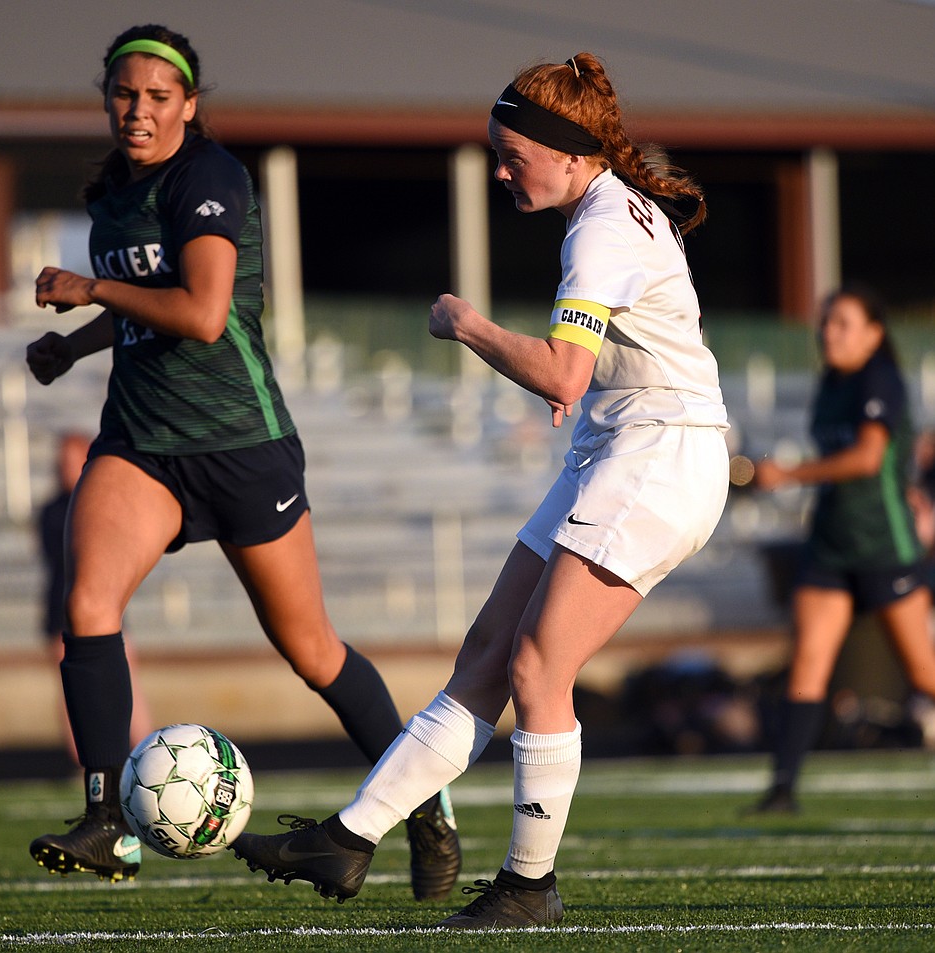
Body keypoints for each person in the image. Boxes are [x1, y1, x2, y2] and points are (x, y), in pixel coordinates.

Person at [231, 52, 730, 929]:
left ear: (571, 153)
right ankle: (348, 838)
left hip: (661, 453)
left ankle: (528, 886)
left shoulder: (604, 223)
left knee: (540, 665)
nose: (500, 170)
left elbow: (561, 375)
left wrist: (463, 322)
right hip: (622, 444)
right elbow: (588, 375)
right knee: (488, 654)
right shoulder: (607, 209)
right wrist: (580, 389)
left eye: (510, 153)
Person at [23, 24, 459, 898]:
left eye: (156, 96)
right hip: (142, 441)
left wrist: (90, 288)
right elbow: (148, 296)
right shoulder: (113, 189)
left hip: (239, 445)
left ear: (189, 104)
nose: (137, 110)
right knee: (87, 601)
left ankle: (426, 810)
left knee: (311, 649)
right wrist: (77, 347)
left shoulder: (210, 177)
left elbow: (204, 312)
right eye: (123, 93)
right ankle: (108, 821)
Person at [748, 284, 935, 813]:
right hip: (831, 543)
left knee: (923, 674)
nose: (830, 333)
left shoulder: (880, 378)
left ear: (874, 334)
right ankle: (782, 790)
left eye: (843, 324)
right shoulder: (832, 381)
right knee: (807, 664)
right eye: (826, 323)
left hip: (883, 542)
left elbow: (869, 459)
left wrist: (787, 475)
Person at [37, 430, 152, 764]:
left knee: (127, 682)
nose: (66, 468)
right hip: (63, 610)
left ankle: (146, 754)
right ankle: (88, 763)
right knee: (74, 689)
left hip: (108, 607)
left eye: (73, 460)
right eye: (63, 462)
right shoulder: (54, 511)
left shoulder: (102, 500)